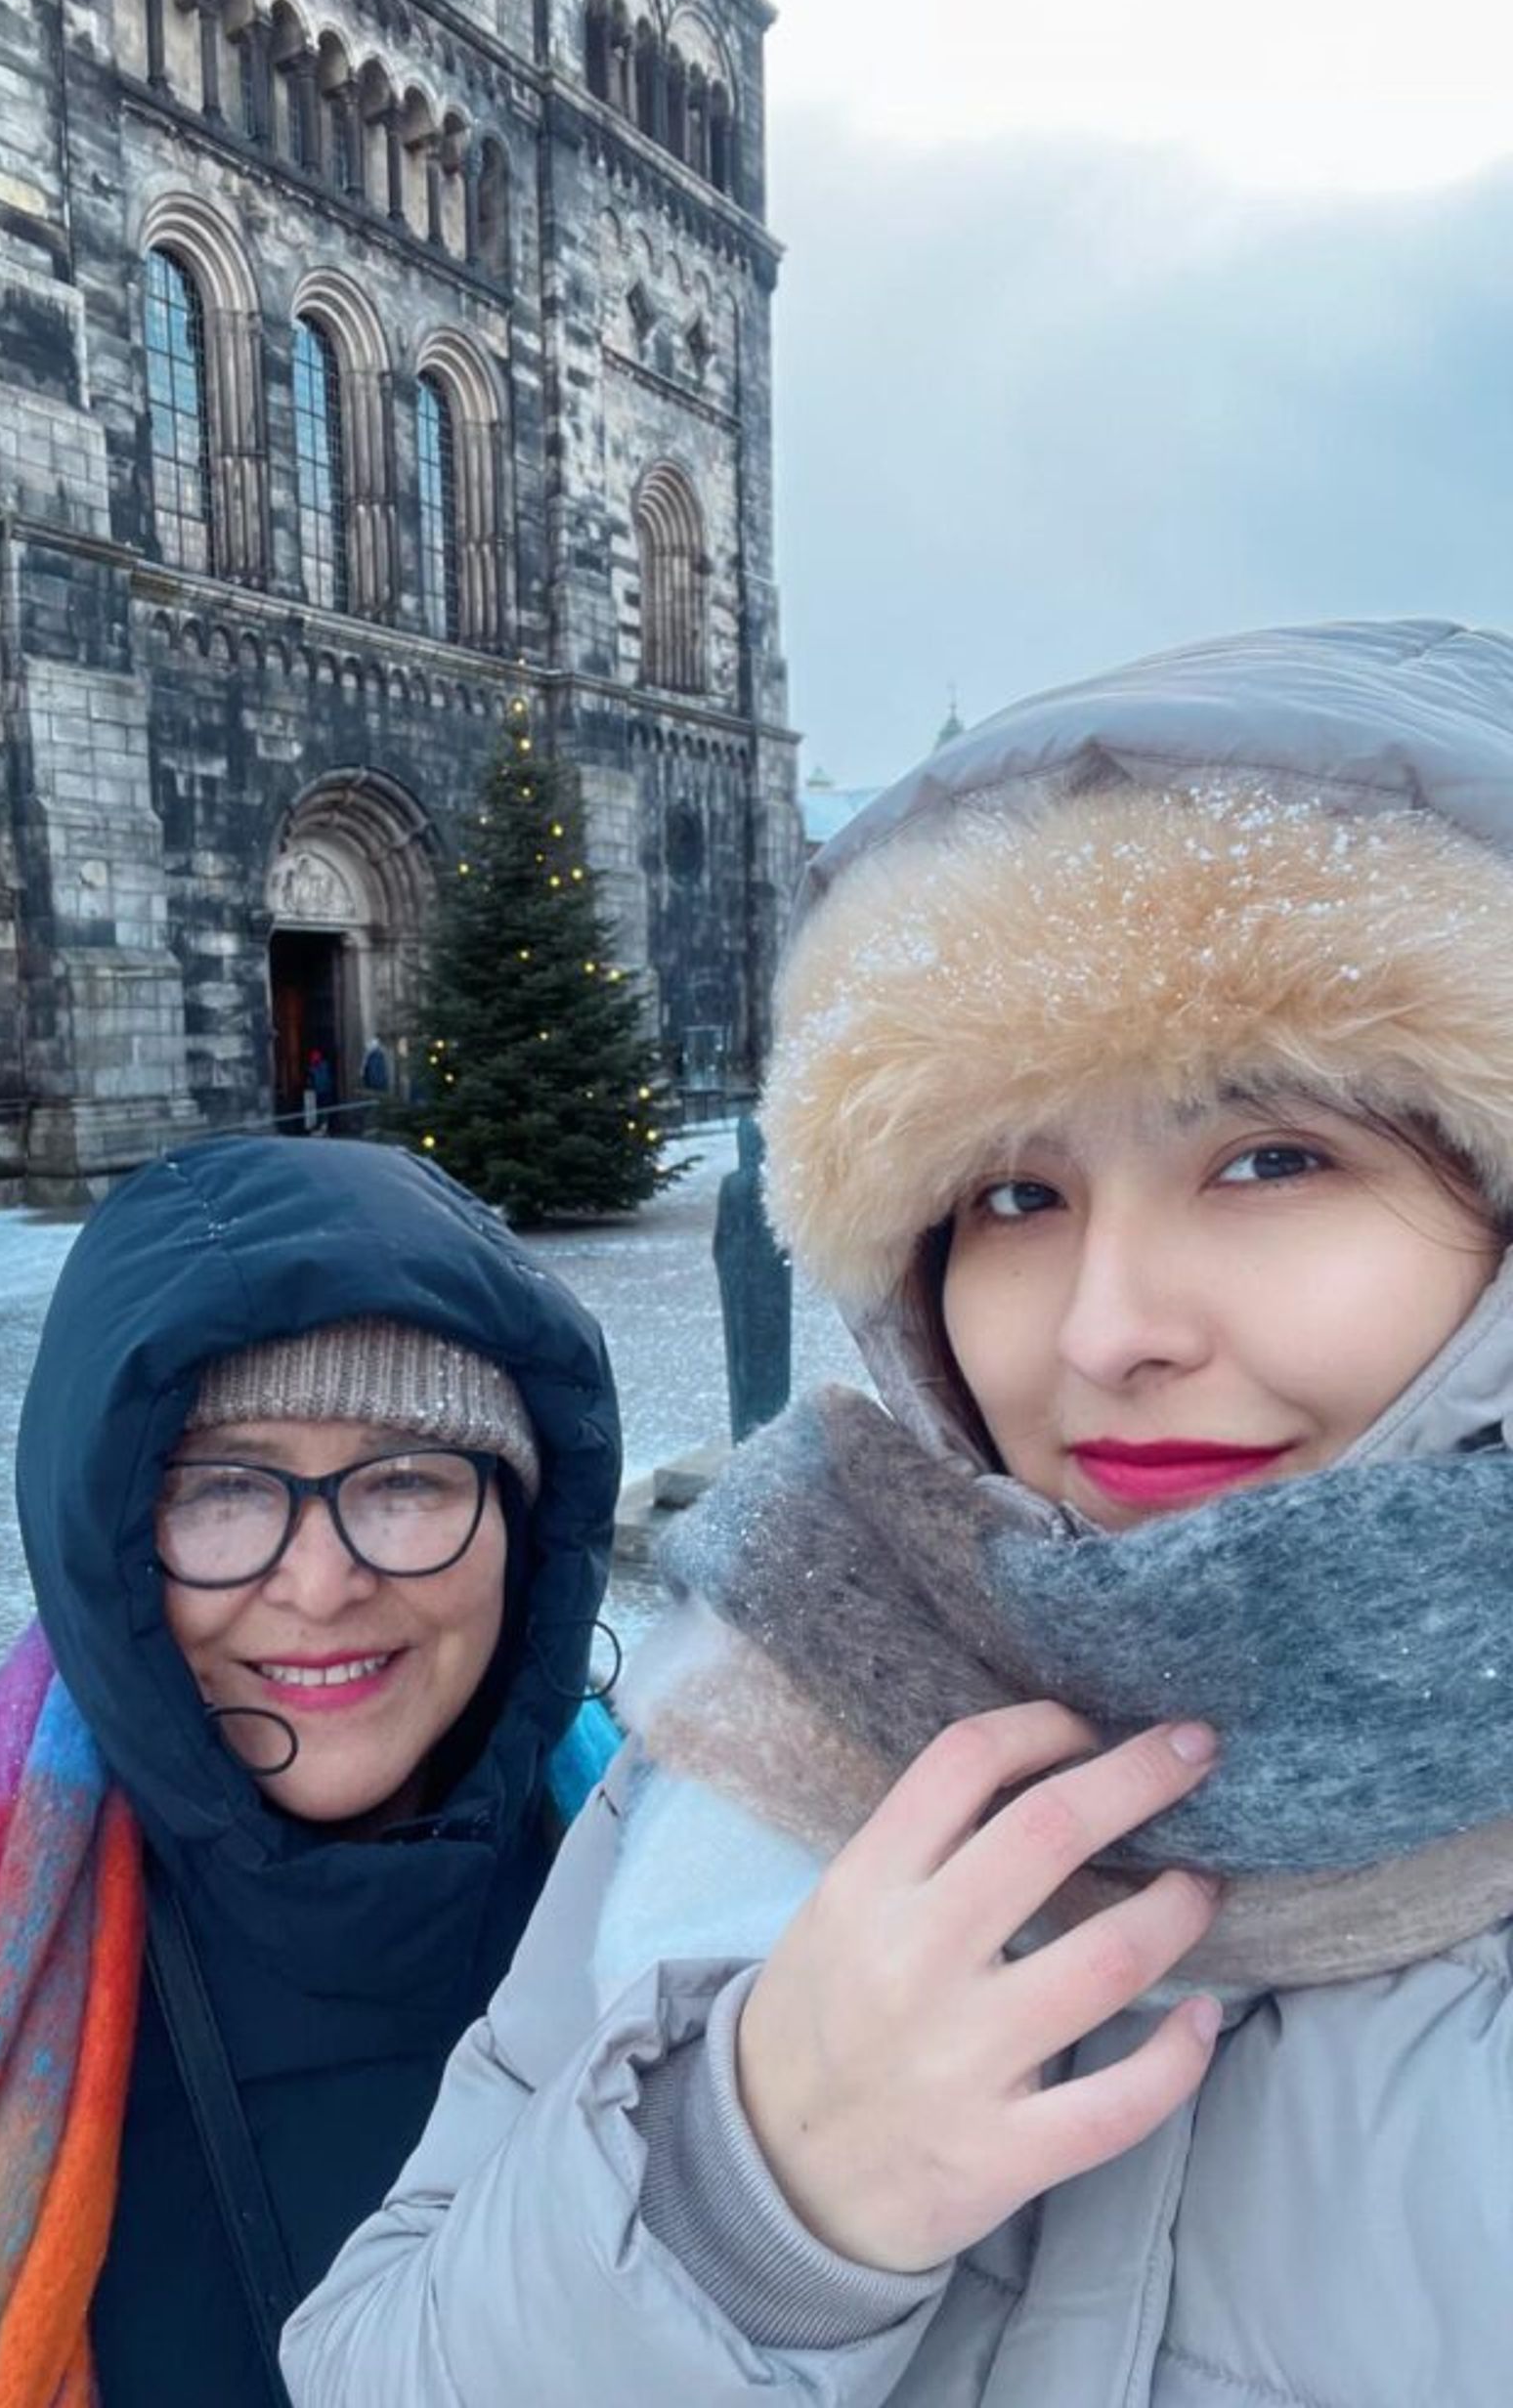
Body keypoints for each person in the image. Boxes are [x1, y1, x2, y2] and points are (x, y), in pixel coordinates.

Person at [283, 618, 1513, 2406]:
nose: (1107, 1331)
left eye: (1271, 1159)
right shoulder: (778, 1706)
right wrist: (744, 2203)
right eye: (1016, 1193)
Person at [0, 1133, 619, 2406]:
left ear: (524, 1528)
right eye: (221, 1490)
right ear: (110, 1533)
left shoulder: (662, 1900)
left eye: (409, 1480)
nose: (322, 1583)